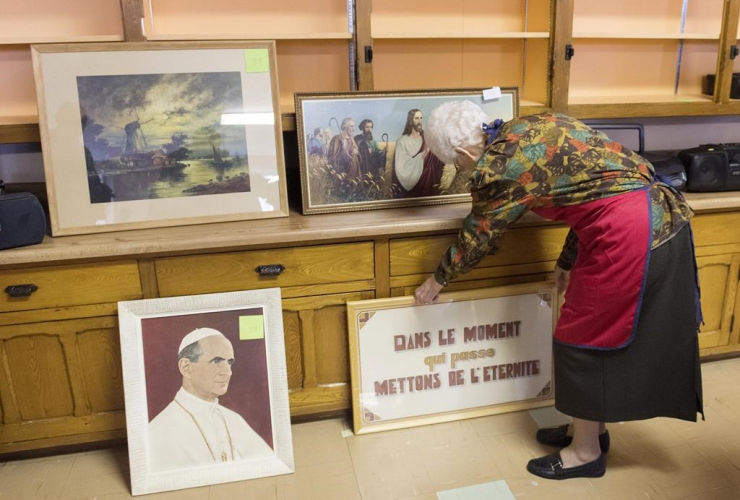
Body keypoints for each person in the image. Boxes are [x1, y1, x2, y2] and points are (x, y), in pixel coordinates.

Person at [415, 101, 703, 480]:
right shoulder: (524, 126)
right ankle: (589, 431)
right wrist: (567, 261)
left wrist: (436, 281)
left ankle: (584, 453)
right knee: (590, 332)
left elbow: (480, 235)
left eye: (458, 164)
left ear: (462, 152)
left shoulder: (499, 167)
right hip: (641, 216)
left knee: (582, 337)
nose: (463, 170)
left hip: (628, 231)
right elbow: (586, 192)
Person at [148, 328, 273, 472]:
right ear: (186, 367)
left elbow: (267, 466)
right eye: (216, 361)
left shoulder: (234, 419)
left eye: (229, 362)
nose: (228, 372)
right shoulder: (159, 431)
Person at [392, 109, 445, 197]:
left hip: (428, 182)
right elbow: (400, 167)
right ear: (410, 120)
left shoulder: (427, 138)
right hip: (412, 187)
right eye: (416, 118)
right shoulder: (402, 141)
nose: (419, 121)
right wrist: (422, 156)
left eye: (421, 118)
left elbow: (437, 159)